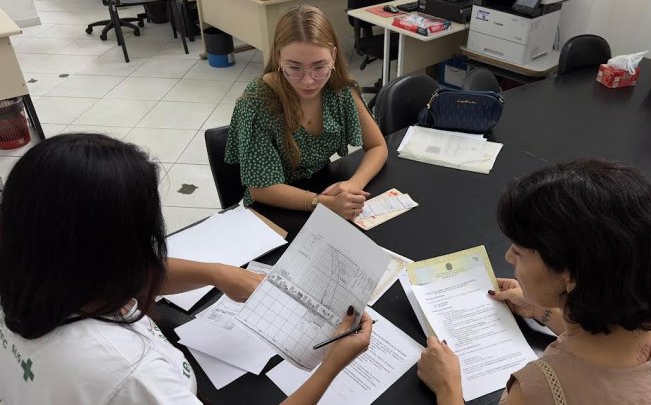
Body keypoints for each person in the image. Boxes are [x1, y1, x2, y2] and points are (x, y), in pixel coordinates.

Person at [0, 134, 372, 404]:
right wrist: (330, 365)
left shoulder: (31, 271)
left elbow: (134, 272)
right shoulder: (129, 374)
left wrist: (215, 273)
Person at [417, 158, 651, 404]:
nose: (507, 256)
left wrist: (448, 389)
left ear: (569, 276)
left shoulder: (540, 391)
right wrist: (542, 311)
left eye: (518, 250)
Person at [225, 5, 388, 221]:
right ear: (278, 57)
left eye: (319, 66)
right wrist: (324, 204)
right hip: (275, 207)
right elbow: (260, 188)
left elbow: (377, 146)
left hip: (323, 188)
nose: (308, 80)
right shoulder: (259, 101)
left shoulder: (339, 88)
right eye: (294, 67)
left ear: (333, 56)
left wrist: (353, 185)